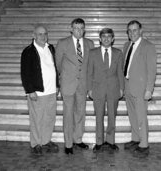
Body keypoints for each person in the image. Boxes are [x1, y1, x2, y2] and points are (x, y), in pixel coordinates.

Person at [55, 18, 94, 154]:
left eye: (82, 28)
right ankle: (68, 143)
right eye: (76, 28)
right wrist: (64, 77)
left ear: (84, 29)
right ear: (71, 29)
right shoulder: (62, 43)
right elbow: (58, 64)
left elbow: (90, 65)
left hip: (83, 84)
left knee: (80, 113)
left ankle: (78, 140)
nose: (79, 31)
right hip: (68, 84)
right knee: (68, 114)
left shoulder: (90, 43)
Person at [21, 25, 60, 156]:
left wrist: (57, 85)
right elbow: (25, 73)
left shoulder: (50, 48)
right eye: (40, 34)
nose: (43, 36)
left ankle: (46, 140)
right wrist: (30, 90)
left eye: (45, 34)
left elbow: (55, 68)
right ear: (34, 35)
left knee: (49, 118)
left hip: (51, 91)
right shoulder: (29, 51)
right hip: (37, 91)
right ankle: (36, 143)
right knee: (37, 118)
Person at [87, 28, 124, 153]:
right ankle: (99, 142)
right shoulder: (92, 53)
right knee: (99, 116)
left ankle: (111, 141)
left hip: (113, 88)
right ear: (100, 38)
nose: (106, 39)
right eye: (103, 36)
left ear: (113, 39)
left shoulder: (118, 53)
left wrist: (121, 88)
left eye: (109, 36)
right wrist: (89, 89)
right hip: (98, 89)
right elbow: (89, 72)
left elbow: (120, 72)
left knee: (112, 116)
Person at [123, 20, 157, 155]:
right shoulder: (126, 45)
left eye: (135, 30)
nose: (132, 33)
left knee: (141, 117)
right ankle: (135, 138)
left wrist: (149, 89)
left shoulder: (148, 46)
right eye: (130, 31)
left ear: (141, 30)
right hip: (128, 85)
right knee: (132, 115)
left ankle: (144, 144)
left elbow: (152, 69)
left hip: (141, 88)